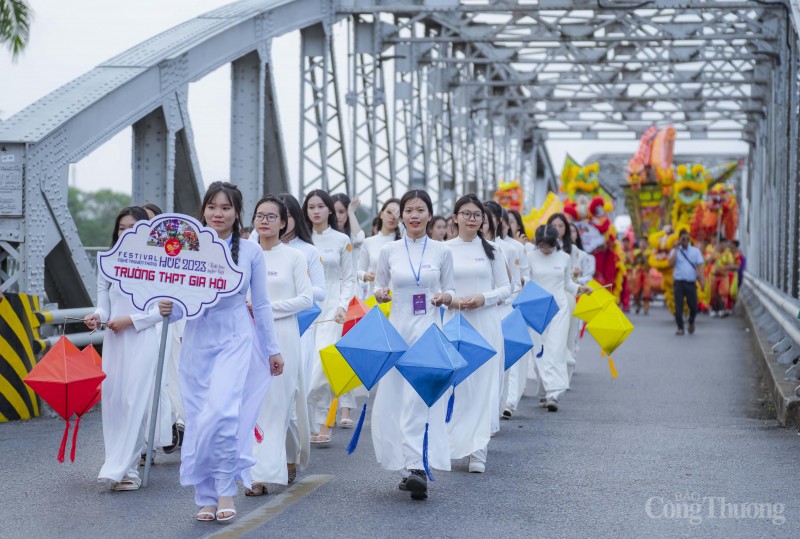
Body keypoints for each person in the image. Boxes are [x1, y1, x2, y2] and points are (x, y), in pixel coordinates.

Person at [157, 181, 284, 522]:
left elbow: (261, 303)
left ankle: (226, 490)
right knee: (200, 420)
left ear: (237, 212)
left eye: (226, 208)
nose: (218, 213)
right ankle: (205, 497)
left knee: (223, 414)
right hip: (198, 340)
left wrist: (272, 349)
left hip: (235, 338)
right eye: (212, 207)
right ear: (203, 210)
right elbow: (181, 305)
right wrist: (169, 308)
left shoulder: (251, 251)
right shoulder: (187, 248)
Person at [372, 189, 455, 501]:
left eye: (420, 210)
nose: (414, 215)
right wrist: (380, 294)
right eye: (409, 210)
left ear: (429, 215)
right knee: (396, 398)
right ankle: (406, 468)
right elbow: (379, 285)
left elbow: (451, 288)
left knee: (419, 399)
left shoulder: (442, 251)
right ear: (401, 216)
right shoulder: (389, 251)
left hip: (428, 331)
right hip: (398, 331)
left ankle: (417, 465)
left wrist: (445, 297)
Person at [84, 206, 172, 492]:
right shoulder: (108, 264)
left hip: (142, 339)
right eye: (122, 227)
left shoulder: (159, 264)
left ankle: (128, 471)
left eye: (133, 227)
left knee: (135, 402)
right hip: (115, 342)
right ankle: (115, 462)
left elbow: (163, 310)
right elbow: (104, 307)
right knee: (114, 403)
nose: (126, 232)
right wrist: (97, 317)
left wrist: (130, 321)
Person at [248, 195, 313, 495]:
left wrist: (265, 308)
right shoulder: (245, 254)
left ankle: (288, 457)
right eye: (260, 216)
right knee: (257, 404)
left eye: (271, 216)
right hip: (250, 335)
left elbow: (306, 299)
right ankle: (259, 473)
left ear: (284, 222)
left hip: (283, 334)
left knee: (282, 403)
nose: (264, 221)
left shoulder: (294, 257)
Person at [445, 195, 510, 473]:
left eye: (477, 215)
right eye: (466, 214)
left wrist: (485, 298)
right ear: (455, 217)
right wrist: (452, 301)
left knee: (484, 387)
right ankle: (454, 443)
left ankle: (478, 452)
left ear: (483, 220)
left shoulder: (493, 250)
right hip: (454, 323)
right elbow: (438, 288)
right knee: (458, 387)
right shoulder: (443, 249)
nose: (471, 219)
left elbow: (507, 288)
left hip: (485, 324)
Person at [303, 190, 357, 442]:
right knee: (305, 367)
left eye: (321, 206)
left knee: (322, 367)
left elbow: (348, 278)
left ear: (329, 210)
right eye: (311, 207)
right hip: (305, 310)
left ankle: (321, 421)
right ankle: (308, 424)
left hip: (333, 312)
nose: (316, 211)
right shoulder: (301, 240)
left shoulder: (341, 240)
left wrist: (343, 306)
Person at [527, 225, 591, 412]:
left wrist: (580, 289)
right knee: (539, 351)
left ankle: (554, 393)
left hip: (559, 309)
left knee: (555, 349)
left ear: (555, 243)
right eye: (542, 246)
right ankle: (543, 390)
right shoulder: (530, 257)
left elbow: (567, 283)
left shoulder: (564, 257)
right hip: (537, 309)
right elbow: (525, 281)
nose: (546, 250)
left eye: (549, 246)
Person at [359, 198, 401, 299]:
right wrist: (366, 276)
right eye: (389, 212)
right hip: (375, 299)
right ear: (381, 214)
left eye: (396, 214)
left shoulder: (403, 242)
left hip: (398, 299)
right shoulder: (369, 242)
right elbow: (358, 271)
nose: (392, 217)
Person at [668, 229, 706, 335]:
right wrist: (676, 248)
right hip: (679, 282)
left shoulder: (695, 251)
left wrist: (702, 279)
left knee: (693, 306)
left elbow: (699, 266)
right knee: (678, 306)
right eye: (683, 239)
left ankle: (691, 321)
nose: (685, 241)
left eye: (687, 239)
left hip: (691, 282)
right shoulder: (675, 251)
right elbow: (670, 263)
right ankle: (680, 327)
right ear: (679, 239)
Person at [332, 193, 366, 296]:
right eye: (334, 212)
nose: (337, 216)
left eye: (341, 212)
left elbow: (359, 239)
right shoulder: (324, 236)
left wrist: (351, 211)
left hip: (351, 292)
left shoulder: (352, 236)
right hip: (330, 290)